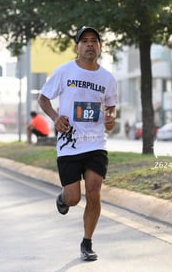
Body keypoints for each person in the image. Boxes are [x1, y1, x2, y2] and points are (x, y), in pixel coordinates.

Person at [38, 26, 117, 261]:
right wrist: (54, 117)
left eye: (94, 41)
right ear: (77, 47)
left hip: (95, 143)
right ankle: (62, 198)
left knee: (94, 191)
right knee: (74, 197)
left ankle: (87, 242)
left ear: (100, 47)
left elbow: (110, 106)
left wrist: (111, 119)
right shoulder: (64, 71)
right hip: (69, 144)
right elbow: (43, 98)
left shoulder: (108, 78)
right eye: (85, 41)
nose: (90, 44)